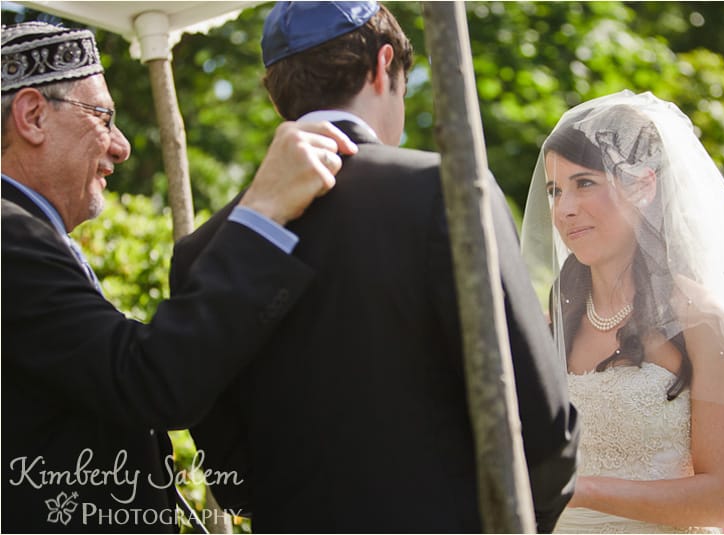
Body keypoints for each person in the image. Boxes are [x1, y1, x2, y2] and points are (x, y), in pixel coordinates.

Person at [170, 2, 578, 532]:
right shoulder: (447, 191)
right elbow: (543, 429)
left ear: (275, 92)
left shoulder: (203, 249)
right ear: (384, 66)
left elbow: (231, 478)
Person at [1, 21, 358, 533]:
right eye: (103, 117)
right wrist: (261, 213)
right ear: (33, 115)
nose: (120, 147)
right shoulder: (9, 237)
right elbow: (147, 383)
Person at [520, 90, 724, 533]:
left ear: (643, 185)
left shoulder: (706, 325)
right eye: (555, 190)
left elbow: (722, 499)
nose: (565, 209)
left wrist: (579, 489)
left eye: (584, 183)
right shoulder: (555, 319)